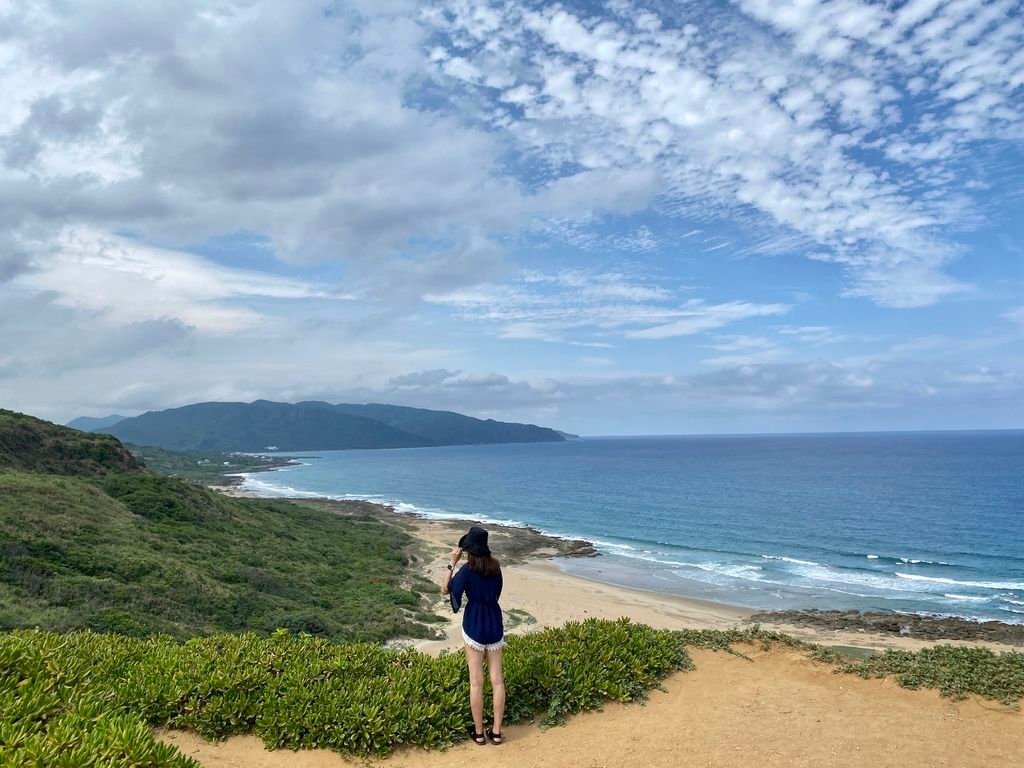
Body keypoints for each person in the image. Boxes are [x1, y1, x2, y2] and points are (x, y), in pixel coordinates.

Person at [441, 525, 505, 746]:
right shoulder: (496, 568)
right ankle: (496, 732)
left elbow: (446, 589)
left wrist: (453, 562)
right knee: (497, 680)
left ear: (469, 550)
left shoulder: (467, 570)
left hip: (475, 622)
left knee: (476, 682)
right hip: (494, 622)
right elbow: (497, 593)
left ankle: (479, 733)